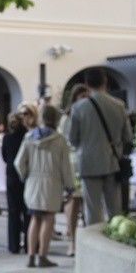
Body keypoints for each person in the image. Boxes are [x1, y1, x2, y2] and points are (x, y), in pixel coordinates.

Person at [68, 68, 132, 225]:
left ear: (87, 84)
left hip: (89, 163)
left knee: (93, 210)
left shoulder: (78, 108)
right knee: (114, 210)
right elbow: (127, 137)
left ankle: (95, 244)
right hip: (112, 162)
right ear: (105, 82)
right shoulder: (119, 105)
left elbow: (72, 139)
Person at [15, 105, 75, 268]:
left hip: (33, 182)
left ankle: (30, 255)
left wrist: (25, 175)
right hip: (52, 183)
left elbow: (18, 162)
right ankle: (43, 255)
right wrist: (70, 186)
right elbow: (65, 167)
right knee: (48, 218)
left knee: (34, 218)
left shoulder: (29, 137)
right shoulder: (60, 140)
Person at [58, 84, 90, 256]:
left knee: (89, 203)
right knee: (73, 202)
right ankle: (72, 240)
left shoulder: (90, 115)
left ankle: (89, 239)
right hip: (73, 163)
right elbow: (63, 142)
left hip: (88, 161)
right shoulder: (67, 119)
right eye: (81, 97)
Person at [2, 111, 30, 254]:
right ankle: (29, 244)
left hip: (11, 176)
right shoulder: (27, 135)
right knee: (27, 211)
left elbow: (5, 157)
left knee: (13, 211)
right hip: (25, 176)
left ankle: (13, 245)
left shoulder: (7, 137)